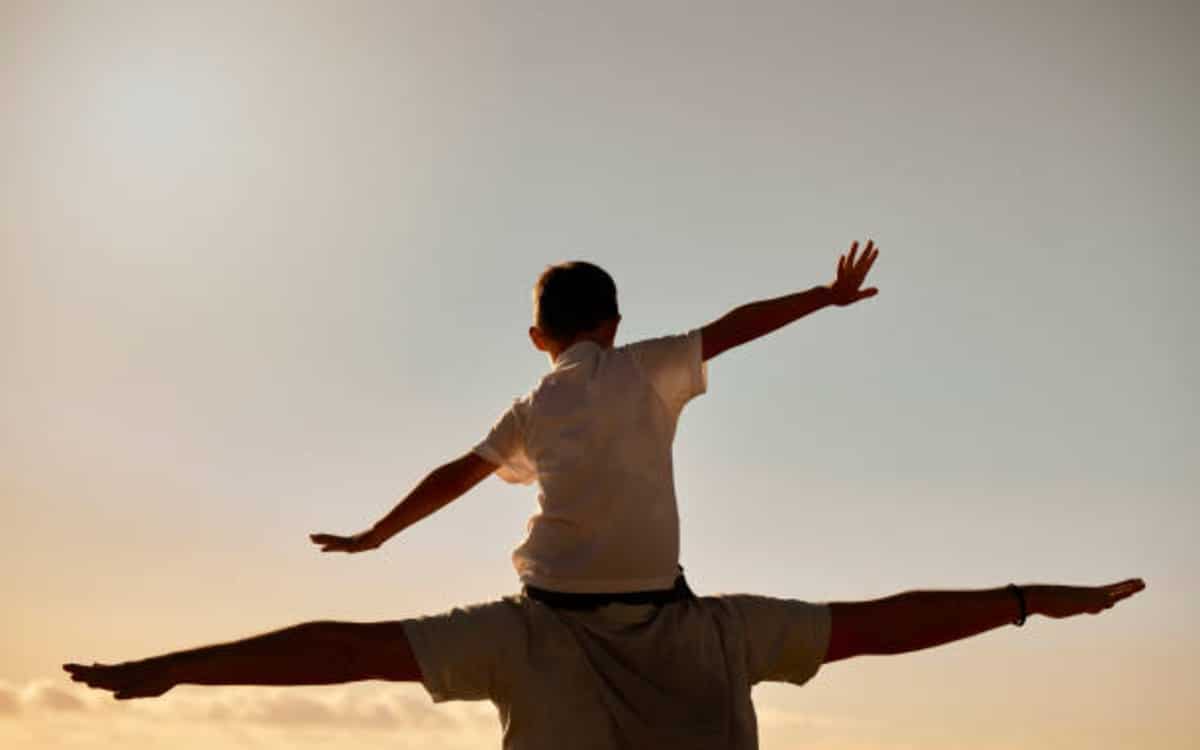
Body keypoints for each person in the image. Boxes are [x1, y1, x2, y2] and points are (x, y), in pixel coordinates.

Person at [65, 241, 1146, 748]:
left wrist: (373, 537)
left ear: (540, 337)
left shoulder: (534, 406)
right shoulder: (647, 368)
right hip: (675, 626)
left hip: (547, 633)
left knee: (367, 644)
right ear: (616, 325)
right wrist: (1026, 601)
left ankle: (166, 670)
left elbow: (352, 627)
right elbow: (882, 624)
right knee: (845, 632)